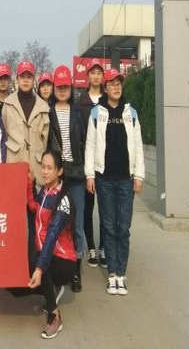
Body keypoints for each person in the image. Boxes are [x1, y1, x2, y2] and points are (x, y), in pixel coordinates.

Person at [85, 68, 145, 297]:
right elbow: (90, 146)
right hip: (104, 180)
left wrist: (138, 176)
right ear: (105, 88)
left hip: (125, 180)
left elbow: (138, 145)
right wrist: (90, 175)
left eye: (119, 83)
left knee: (124, 228)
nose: (116, 87)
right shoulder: (96, 113)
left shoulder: (131, 113)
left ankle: (122, 272)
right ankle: (112, 273)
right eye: (112, 84)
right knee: (109, 227)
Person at [13, 150, 77, 340]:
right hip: (46, 255)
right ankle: (52, 289)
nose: (45, 172)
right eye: (43, 167)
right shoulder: (45, 191)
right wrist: (29, 182)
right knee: (15, 290)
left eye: (50, 168)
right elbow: (34, 206)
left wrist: (39, 269)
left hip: (64, 261)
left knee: (39, 266)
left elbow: (51, 236)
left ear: (59, 171)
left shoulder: (63, 200)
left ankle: (54, 315)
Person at [47, 65, 87, 293]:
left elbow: (85, 140)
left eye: (65, 86)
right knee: (57, 223)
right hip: (58, 174)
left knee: (77, 224)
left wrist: (86, 171)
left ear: (71, 88)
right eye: (59, 86)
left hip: (77, 174)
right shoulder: (48, 111)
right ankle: (58, 266)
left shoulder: (78, 111)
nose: (62, 90)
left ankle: (76, 272)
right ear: (54, 88)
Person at [2, 60, 50, 182]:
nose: (25, 80)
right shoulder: (8, 104)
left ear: (34, 79)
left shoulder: (43, 107)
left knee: (36, 193)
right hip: (14, 162)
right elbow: (4, 134)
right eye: (22, 76)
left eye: (29, 77)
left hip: (36, 165)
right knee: (14, 193)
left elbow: (45, 140)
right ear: (17, 79)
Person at [79, 59, 107, 268]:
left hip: (106, 163)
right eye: (93, 72)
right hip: (86, 162)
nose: (96, 76)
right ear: (88, 75)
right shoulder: (81, 101)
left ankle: (104, 247)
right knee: (87, 208)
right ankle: (90, 247)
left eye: (99, 73)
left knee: (105, 208)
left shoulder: (109, 100)